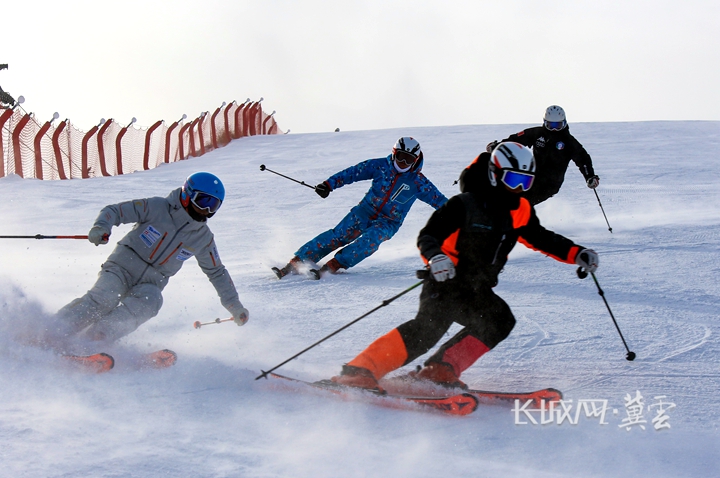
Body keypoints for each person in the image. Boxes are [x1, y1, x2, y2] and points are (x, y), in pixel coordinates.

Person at [331, 142, 599, 391]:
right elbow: (429, 235)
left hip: (476, 288)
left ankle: (439, 370)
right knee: (426, 331)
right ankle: (360, 371)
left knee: (499, 319)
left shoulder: (521, 210)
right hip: (446, 281)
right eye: (513, 179)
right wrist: (436, 258)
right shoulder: (465, 204)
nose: (518, 189)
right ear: (495, 174)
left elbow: (541, 238)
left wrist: (576, 253)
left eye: (525, 182)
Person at [44, 172, 248, 351]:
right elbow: (114, 211)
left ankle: (97, 339)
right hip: (121, 267)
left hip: (151, 283)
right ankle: (54, 331)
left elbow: (217, 272)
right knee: (105, 298)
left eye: (213, 205)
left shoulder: (202, 237)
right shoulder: (157, 207)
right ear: (187, 194)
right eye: (203, 201)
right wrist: (102, 227)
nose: (206, 210)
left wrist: (234, 306)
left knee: (152, 302)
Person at [273, 137, 448, 279]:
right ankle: (297, 261)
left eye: (408, 159)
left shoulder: (419, 183)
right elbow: (353, 172)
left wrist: (462, 212)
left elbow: (440, 201)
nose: (402, 162)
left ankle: (334, 265)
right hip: (365, 211)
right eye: (400, 156)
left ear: (415, 160)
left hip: (389, 222)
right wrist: (328, 185)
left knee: (370, 240)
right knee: (338, 235)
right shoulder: (380, 166)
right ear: (394, 153)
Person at [475, 105, 599, 205]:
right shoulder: (537, 133)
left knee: (522, 202)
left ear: (564, 123)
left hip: (551, 184)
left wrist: (590, 176)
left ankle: (511, 225)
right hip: (532, 176)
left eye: (558, 125)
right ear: (545, 122)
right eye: (551, 125)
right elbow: (516, 140)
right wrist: (497, 146)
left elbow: (583, 159)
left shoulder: (569, 141)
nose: (554, 129)